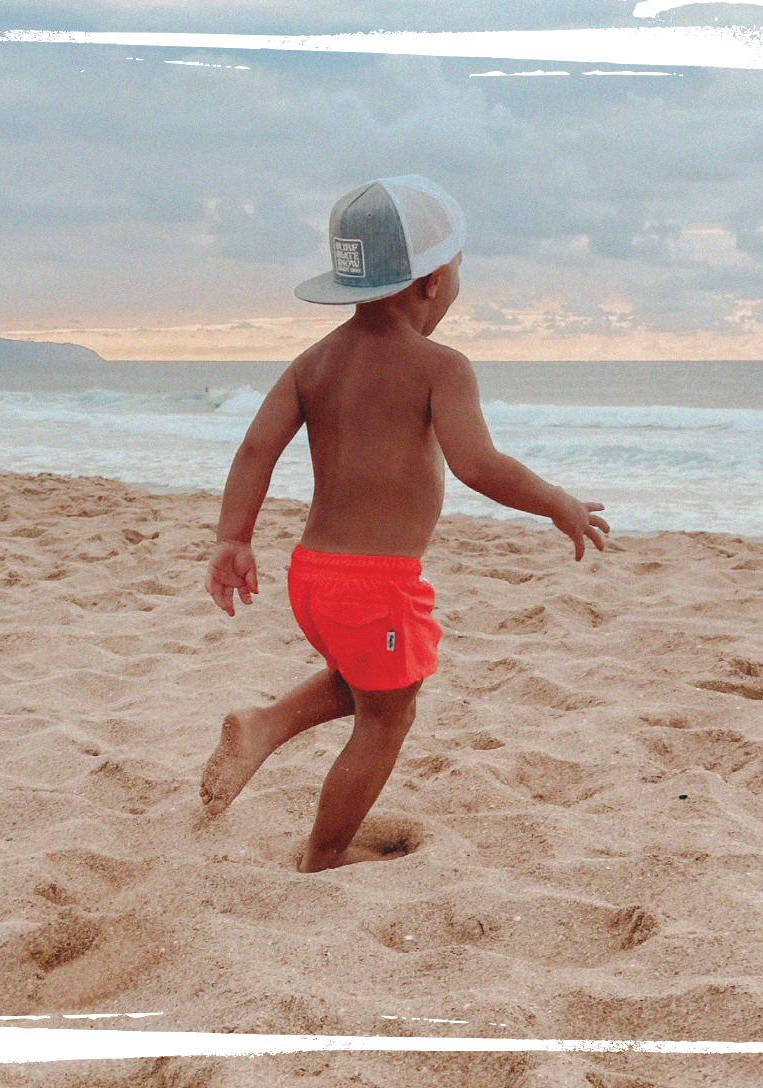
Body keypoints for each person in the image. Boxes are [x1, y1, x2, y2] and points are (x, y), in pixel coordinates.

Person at [201, 175, 609, 872]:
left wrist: (233, 537)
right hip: (375, 585)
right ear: (429, 284)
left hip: (313, 575)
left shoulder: (315, 362)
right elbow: (478, 463)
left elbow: (255, 449)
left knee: (369, 679)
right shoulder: (440, 367)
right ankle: (325, 852)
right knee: (388, 716)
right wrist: (556, 501)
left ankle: (267, 725)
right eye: (457, 268)